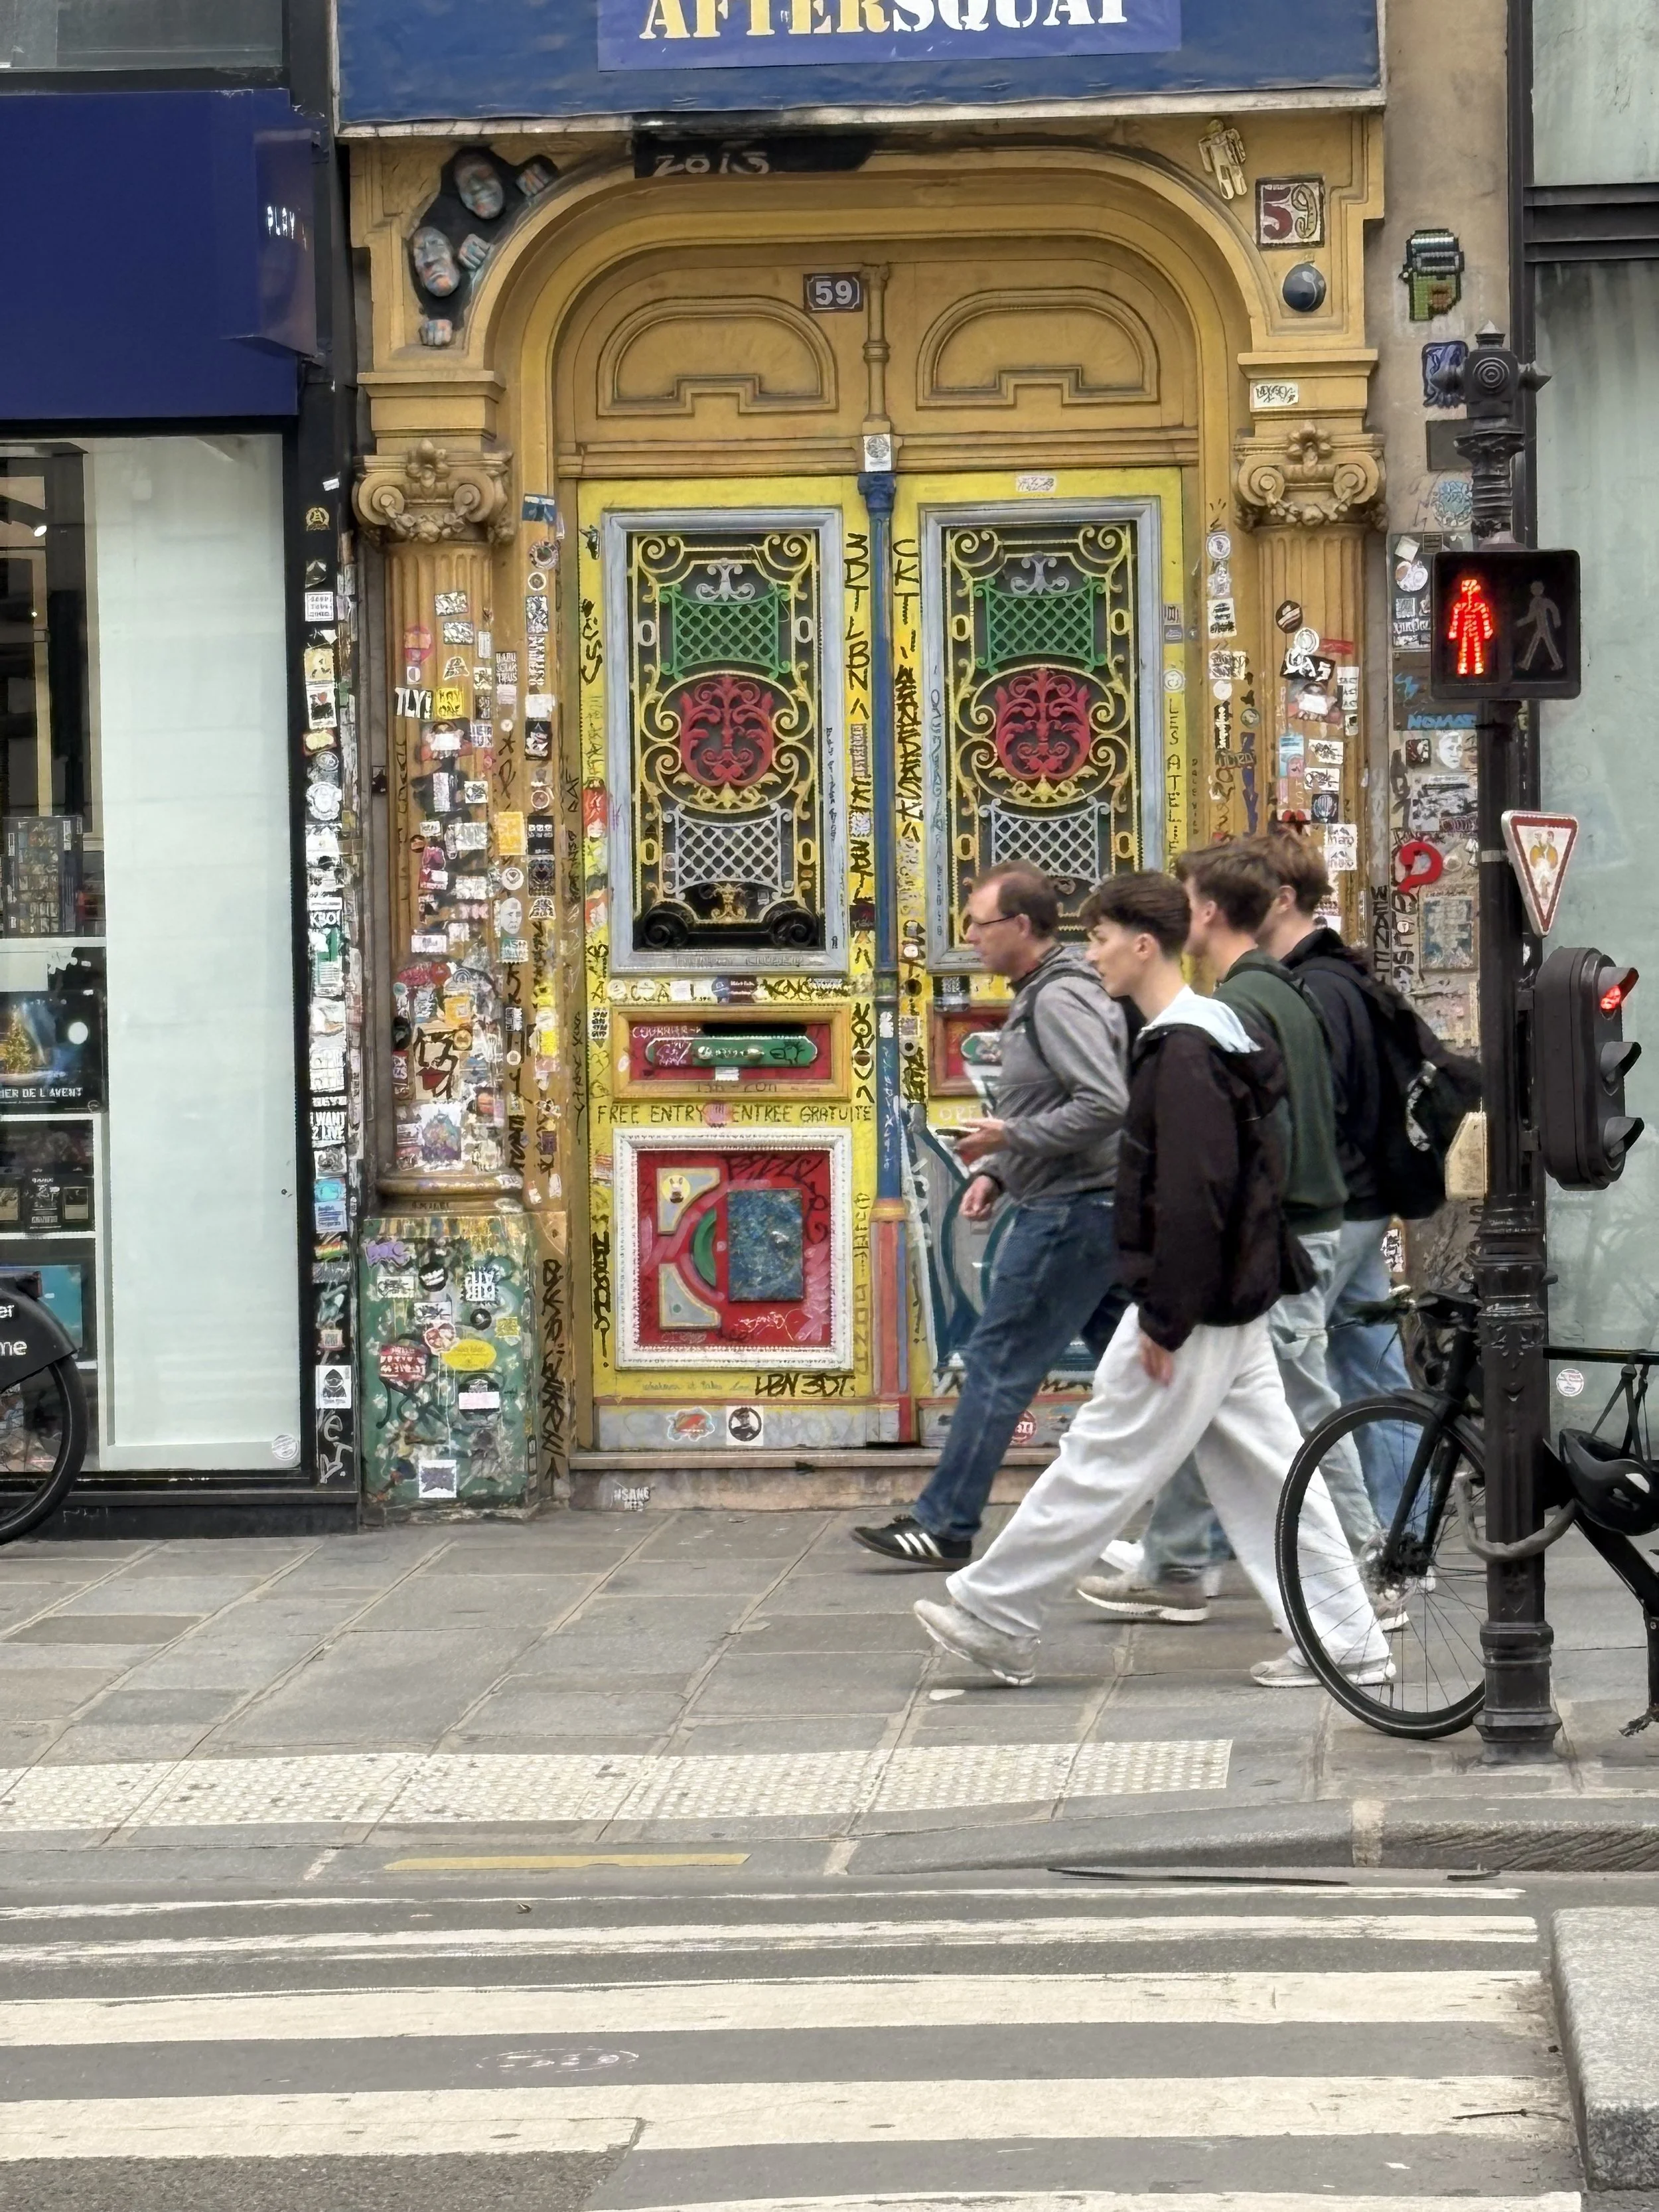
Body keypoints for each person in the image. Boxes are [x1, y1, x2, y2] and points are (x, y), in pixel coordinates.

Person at [911, 870, 1392, 1690]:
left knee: (1102, 1456)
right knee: (1269, 1470)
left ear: (1141, 945)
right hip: (1224, 1294)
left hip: (1194, 1299)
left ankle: (996, 1613)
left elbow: (1194, 1195)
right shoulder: (1205, 1035)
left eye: (1098, 939)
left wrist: (1165, 1320)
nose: (1089, 953)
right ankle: (1348, 1639)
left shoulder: (1184, 1049)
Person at [1079, 842, 1380, 1645]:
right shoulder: (1280, 989)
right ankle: (1175, 1563)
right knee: (1224, 1409)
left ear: (1206, 913)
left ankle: (1367, 1567)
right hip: (1311, 1217)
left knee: (1293, 1414)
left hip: (1283, 1230)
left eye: (1186, 896)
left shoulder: (1237, 1008)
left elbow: (1232, 1154)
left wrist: (1235, 1243)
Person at [852, 861, 1129, 1567]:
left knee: (999, 1363)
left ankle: (945, 1523)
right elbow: (1047, 1106)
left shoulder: (1059, 1000)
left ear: (1023, 926)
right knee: (1145, 1379)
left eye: (978, 923)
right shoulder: (1042, 993)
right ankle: (1197, 1531)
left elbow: (1103, 1105)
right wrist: (1002, 1172)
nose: (968, 936)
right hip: (1083, 1208)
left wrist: (1010, 1142)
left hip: (1070, 1214)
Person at [1251, 827, 1414, 1517]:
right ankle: (1401, 1526)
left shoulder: (1310, 988)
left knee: (1274, 1368)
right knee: (1371, 1369)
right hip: (1367, 1196)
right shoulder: (1343, 974)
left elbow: (1324, 1104)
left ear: (1283, 898)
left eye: (1243, 894)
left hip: (1337, 1203)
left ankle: (1191, 1546)